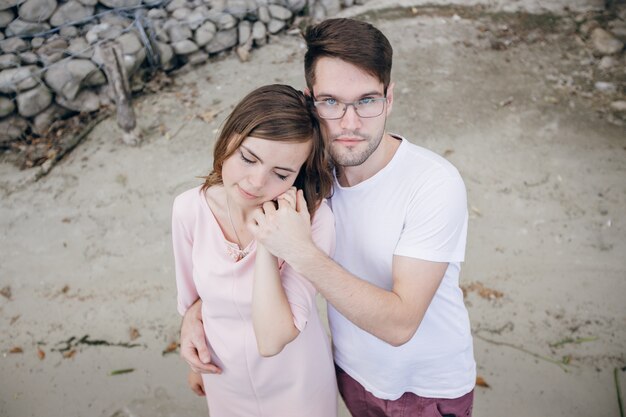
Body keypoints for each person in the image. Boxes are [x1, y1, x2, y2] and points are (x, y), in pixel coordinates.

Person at [181, 18, 476, 417]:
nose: (349, 123)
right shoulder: (305, 176)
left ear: (390, 98)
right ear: (310, 100)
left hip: (423, 386)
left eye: (367, 101)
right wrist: (195, 316)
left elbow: (400, 325)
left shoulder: (434, 184)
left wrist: (299, 251)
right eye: (332, 101)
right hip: (348, 375)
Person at [171, 84, 337, 417]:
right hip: (224, 379)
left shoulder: (314, 222)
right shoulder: (188, 209)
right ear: (230, 138)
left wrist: (269, 241)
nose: (257, 182)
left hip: (297, 388)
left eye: (281, 173)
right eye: (249, 158)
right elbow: (192, 304)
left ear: (298, 177)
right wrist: (194, 358)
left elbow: (272, 339)